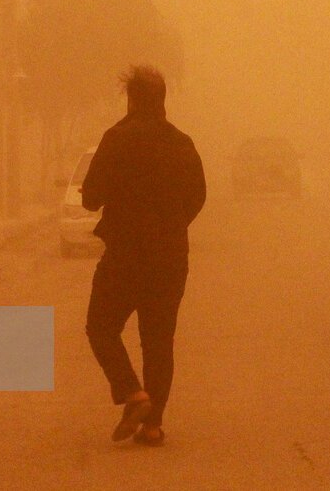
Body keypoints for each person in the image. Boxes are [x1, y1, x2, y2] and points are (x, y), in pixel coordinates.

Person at [81, 65, 206, 446]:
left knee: (101, 328)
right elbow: (197, 198)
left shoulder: (116, 139)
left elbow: (89, 198)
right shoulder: (183, 143)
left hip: (124, 257)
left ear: (132, 100)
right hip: (170, 258)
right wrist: (170, 226)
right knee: (158, 341)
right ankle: (152, 426)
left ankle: (132, 392)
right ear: (163, 100)